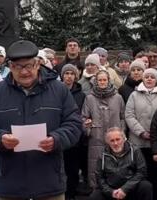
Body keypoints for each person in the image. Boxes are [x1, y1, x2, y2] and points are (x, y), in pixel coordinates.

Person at [0, 40, 83, 200]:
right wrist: (0, 138)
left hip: (49, 183)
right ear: (10, 67)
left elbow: (74, 124)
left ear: (38, 64)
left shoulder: (59, 91)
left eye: (29, 65)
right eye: (18, 66)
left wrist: (57, 139)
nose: (24, 72)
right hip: (10, 184)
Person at [125, 68, 157, 192]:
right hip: (138, 141)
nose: (149, 79)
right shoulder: (134, 95)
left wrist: (155, 133)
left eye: (152, 77)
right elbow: (129, 115)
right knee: (139, 171)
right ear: (143, 78)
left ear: (156, 80)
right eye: (147, 76)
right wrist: (141, 132)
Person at [82, 70, 125, 188]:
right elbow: (84, 117)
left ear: (108, 81)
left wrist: (122, 133)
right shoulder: (89, 98)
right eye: (99, 80)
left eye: (104, 80)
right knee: (95, 166)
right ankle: (96, 190)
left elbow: (123, 117)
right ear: (96, 81)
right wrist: (88, 125)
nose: (102, 82)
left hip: (115, 138)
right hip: (96, 137)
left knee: (116, 167)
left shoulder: (118, 98)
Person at [89, 127, 153, 200]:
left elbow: (141, 172)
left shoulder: (135, 151)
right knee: (95, 196)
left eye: (118, 139)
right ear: (107, 142)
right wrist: (111, 192)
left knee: (146, 186)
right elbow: (99, 178)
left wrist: (124, 189)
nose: (115, 143)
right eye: (112, 141)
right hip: (112, 190)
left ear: (124, 139)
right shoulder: (102, 155)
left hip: (130, 188)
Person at [60, 64, 88, 200]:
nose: (69, 76)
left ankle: (71, 194)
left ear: (76, 76)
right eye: (66, 73)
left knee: (73, 170)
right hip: (59, 135)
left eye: (72, 73)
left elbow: (84, 114)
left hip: (76, 138)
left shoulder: (81, 95)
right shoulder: (57, 91)